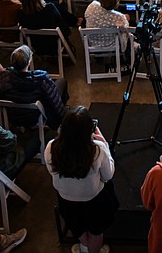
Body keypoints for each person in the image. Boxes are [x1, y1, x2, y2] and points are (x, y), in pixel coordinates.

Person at [45, 106, 117, 253]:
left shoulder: (51, 147)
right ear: (89, 131)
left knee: (77, 228)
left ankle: (84, 247)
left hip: (66, 200)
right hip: (95, 201)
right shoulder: (97, 149)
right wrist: (105, 145)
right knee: (96, 232)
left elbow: (52, 172)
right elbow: (108, 176)